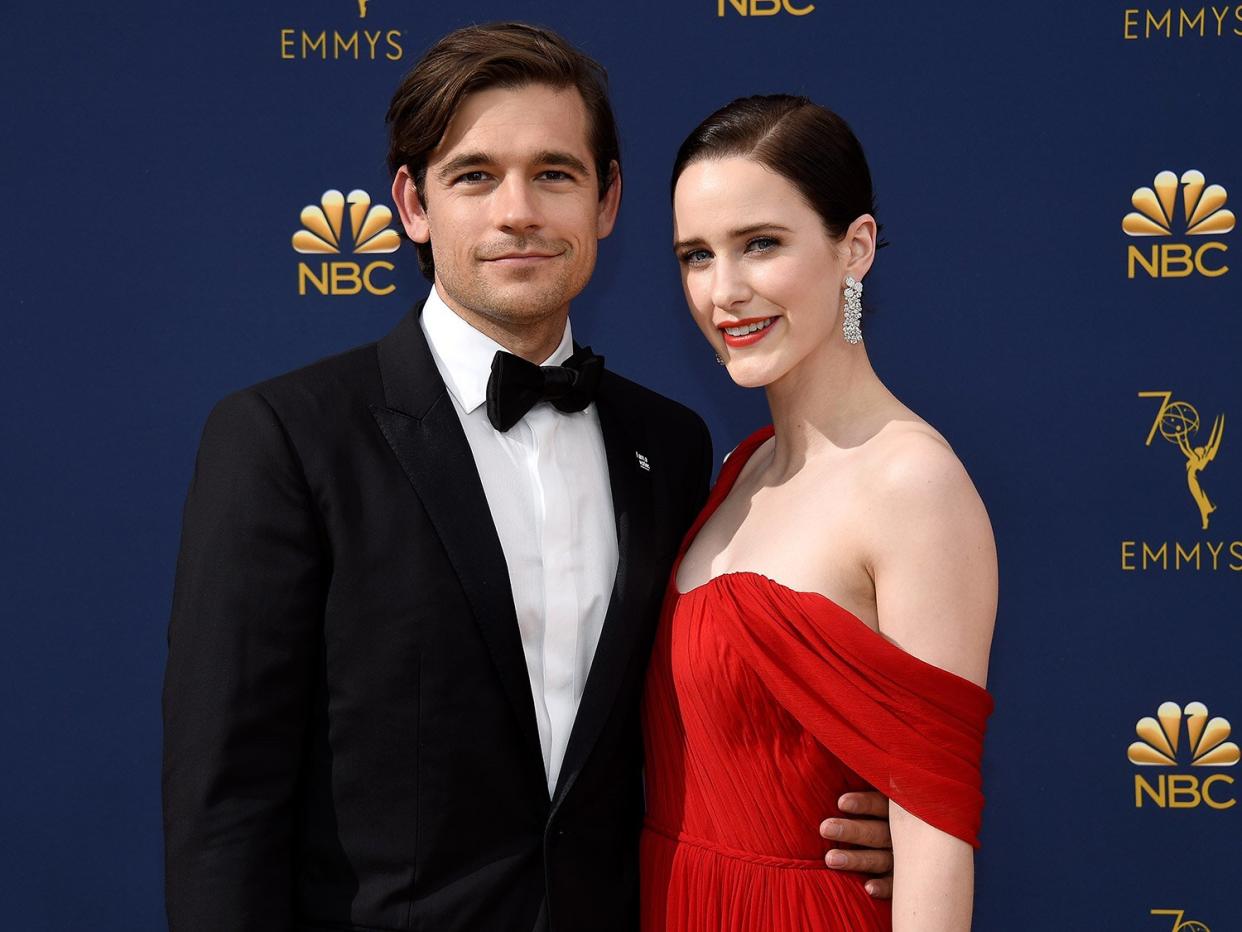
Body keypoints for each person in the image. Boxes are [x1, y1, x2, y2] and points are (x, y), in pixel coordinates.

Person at [162, 26, 894, 932]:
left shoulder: (671, 447)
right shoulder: (286, 440)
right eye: (474, 175)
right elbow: (224, 808)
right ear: (412, 203)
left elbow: (703, 723)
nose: (518, 211)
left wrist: (865, 822)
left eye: (554, 173)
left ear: (608, 199)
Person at [640, 95, 998, 931]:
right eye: (696, 255)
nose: (723, 292)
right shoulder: (738, 469)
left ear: (855, 248)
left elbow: (935, 833)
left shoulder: (914, 486)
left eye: (761, 244)